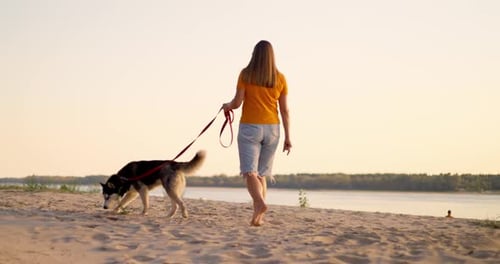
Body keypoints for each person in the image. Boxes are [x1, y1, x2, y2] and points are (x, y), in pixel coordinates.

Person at [222, 40, 291, 226]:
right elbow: (284, 110)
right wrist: (288, 137)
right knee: (261, 173)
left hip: (250, 128)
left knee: (249, 172)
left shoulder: (246, 74)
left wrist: (226, 106)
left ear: (254, 54)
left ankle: (260, 204)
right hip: (273, 129)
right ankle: (257, 217)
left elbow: (237, 103)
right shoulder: (280, 78)